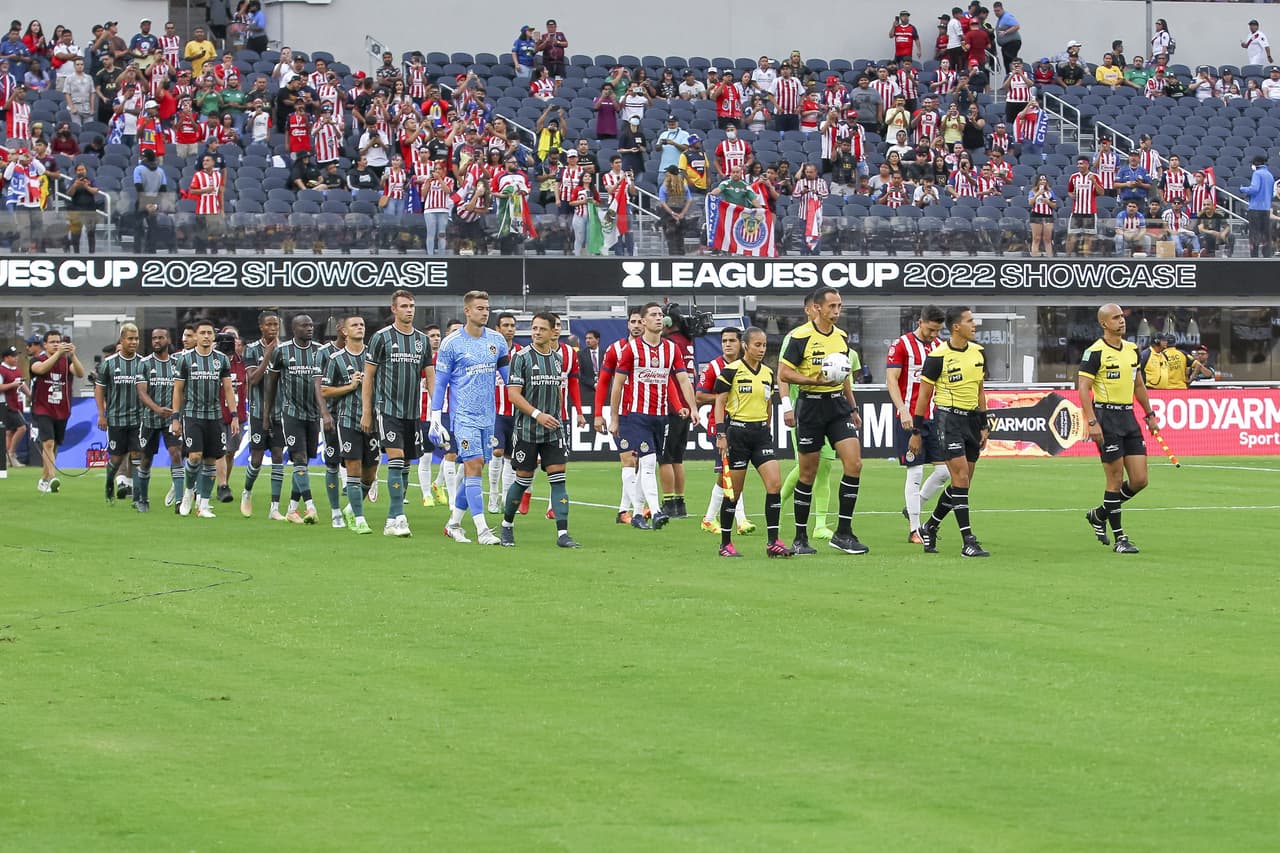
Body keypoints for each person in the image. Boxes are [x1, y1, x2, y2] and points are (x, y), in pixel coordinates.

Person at [777, 287, 868, 555]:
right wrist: (812, 380)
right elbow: (784, 373)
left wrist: (853, 408)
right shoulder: (799, 337)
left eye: (839, 306)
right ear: (817, 308)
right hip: (810, 406)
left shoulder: (841, 338)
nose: (837, 311)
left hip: (837, 404)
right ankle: (800, 537)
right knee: (808, 473)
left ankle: (844, 533)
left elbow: (846, 376)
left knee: (854, 463)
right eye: (832, 306)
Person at [608, 303, 700, 530]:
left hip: (661, 416)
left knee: (646, 465)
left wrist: (693, 407)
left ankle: (638, 514)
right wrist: (614, 417)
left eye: (661, 315)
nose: (659, 318)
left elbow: (682, 380)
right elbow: (617, 384)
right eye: (653, 315)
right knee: (648, 462)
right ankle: (657, 511)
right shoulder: (632, 349)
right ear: (644, 321)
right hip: (637, 415)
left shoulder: (671, 349)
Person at [1078, 304, 1158, 555]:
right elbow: (1083, 389)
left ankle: (1099, 514)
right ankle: (1120, 538)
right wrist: (1092, 422)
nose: (1121, 321)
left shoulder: (1133, 350)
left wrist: (1149, 414)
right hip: (1106, 417)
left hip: (1128, 417)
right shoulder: (1095, 352)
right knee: (1113, 480)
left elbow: (1139, 385)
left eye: (1122, 317)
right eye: (1115, 318)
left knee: (1140, 480)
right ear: (1104, 324)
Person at [429, 291, 508, 544]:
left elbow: (510, 380)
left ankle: (453, 524)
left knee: (476, 468)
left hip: (488, 416)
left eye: (487, 308)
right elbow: (440, 383)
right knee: (473, 466)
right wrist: (435, 416)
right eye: (480, 308)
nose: (485, 312)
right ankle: (482, 530)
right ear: (467, 311)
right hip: (462, 416)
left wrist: (526, 405)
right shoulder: (451, 343)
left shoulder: (497, 341)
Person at [910, 307, 989, 558]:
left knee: (961, 484)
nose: (974, 325)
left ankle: (930, 526)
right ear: (956, 327)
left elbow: (980, 389)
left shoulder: (978, 352)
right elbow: (924, 396)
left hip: (972, 422)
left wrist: (984, 424)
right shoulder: (938, 356)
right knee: (961, 478)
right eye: (969, 321)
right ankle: (968, 540)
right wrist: (916, 430)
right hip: (948, 420)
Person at [499, 312, 579, 549]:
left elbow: (557, 392)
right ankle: (507, 525)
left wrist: (556, 418)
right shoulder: (521, 358)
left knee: (558, 479)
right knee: (523, 480)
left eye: (541, 329)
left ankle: (563, 533)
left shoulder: (556, 359)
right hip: (527, 430)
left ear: (553, 331)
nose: (536, 332)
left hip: (553, 430)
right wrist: (537, 415)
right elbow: (513, 394)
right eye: (534, 328)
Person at [710, 327, 792, 558]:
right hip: (737, 433)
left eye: (764, 345)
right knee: (733, 492)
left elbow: (768, 404)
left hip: (760, 435)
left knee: (774, 484)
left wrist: (767, 427)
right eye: (757, 345)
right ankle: (725, 543)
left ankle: (773, 542)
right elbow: (720, 402)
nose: (762, 349)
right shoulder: (731, 371)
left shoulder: (767, 372)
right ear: (745, 345)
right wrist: (720, 434)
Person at [362, 290, 434, 537]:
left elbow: (430, 375)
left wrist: (436, 410)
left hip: (412, 412)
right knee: (395, 457)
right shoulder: (381, 338)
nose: (409, 310)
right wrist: (366, 412)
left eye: (412, 305)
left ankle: (392, 520)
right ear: (394, 309)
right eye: (404, 306)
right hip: (387, 409)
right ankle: (399, 516)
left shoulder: (422, 340)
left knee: (405, 464)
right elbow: (368, 376)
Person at [886, 306, 951, 543]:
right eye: (931, 329)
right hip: (908, 419)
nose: (934, 334)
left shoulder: (939, 347)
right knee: (915, 471)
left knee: (944, 471)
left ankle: (913, 506)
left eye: (938, 330)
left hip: (934, 418)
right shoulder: (901, 345)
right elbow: (891, 380)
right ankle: (915, 529)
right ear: (920, 322)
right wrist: (902, 410)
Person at [262, 314, 328, 525]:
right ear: (294, 329)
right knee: (299, 459)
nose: (309, 328)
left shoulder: (320, 351)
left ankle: (291, 509)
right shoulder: (282, 352)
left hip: (313, 414)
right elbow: (271, 385)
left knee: (305, 462)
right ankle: (310, 506)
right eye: (304, 325)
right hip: (290, 414)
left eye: (311, 324)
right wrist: (267, 414)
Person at [172, 319, 236, 518]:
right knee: (194, 456)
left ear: (213, 336)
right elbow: (178, 390)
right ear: (197, 336)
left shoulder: (222, 360)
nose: (207, 336)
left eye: (209, 333)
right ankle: (189, 491)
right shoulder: (185, 359)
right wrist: (176, 417)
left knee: (211, 460)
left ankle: (204, 505)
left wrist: (233, 415)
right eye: (203, 333)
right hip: (192, 415)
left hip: (215, 416)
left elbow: (228, 389)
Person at [321, 315, 377, 535]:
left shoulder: (373, 356)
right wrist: (350, 386)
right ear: (344, 331)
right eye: (354, 325)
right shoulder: (336, 359)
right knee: (352, 468)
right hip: (347, 420)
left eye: (362, 324)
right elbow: (325, 391)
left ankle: (350, 508)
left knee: (370, 474)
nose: (360, 327)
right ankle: (359, 517)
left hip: (372, 420)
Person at [697, 327, 753, 536]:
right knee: (730, 470)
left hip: (742, 423)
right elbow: (699, 397)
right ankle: (741, 520)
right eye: (724, 341)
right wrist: (724, 397)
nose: (727, 344)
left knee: (729, 472)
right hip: (719, 425)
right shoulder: (713, 366)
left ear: (741, 344)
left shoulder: (748, 367)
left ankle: (709, 519)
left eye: (732, 340)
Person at [594, 307, 645, 524]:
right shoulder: (616, 349)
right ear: (627, 324)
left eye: (639, 322)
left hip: (646, 413)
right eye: (632, 321)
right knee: (628, 459)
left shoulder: (655, 350)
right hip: (622, 413)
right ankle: (639, 509)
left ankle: (624, 510)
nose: (636, 326)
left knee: (642, 463)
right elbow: (604, 381)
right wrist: (598, 413)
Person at [94, 324, 146, 508]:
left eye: (136, 338)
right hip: (116, 419)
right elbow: (99, 390)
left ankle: (138, 497)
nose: (134, 342)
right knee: (116, 459)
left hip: (138, 419)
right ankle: (110, 483)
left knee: (137, 456)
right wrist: (102, 414)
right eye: (130, 339)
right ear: (122, 340)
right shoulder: (109, 363)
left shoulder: (143, 363)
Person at [135, 327, 184, 514]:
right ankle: (143, 498)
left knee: (175, 454)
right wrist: (156, 409)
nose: (156, 341)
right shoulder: (145, 363)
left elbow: (181, 389)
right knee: (146, 459)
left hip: (171, 419)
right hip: (149, 420)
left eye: (160, 338)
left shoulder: (177, 363)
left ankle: (180, 502)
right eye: (154, 338)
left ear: (168, 339)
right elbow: (141, 391)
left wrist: (177, 414)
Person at [30, 329, 85, 493]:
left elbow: (80, 373)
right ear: (45, 345)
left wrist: (72, 355)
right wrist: (58, 354)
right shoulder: (36, 359)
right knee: (48, 442)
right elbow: (40, 369)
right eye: (52, 342)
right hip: (42, 408)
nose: (56, 344)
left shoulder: (66, 361)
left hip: (62, 409)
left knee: (54, 446)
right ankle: (53, 477)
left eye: (58, 341)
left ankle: (44, 479)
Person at [488, 312, 521, 514]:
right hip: (495, 412)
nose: (510, 329)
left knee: (510, 456)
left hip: (516, 413)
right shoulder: (489, 351)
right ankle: (493, 496)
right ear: (497, 329)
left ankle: (508, 498)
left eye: (512, 325)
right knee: (497, 452)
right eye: (506, 325)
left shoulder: (521, 353)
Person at [0, 345, 29, 475]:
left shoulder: (16, 370)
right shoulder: (2, 370)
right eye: (13, 356)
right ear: (6, 358)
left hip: (16, 403)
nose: (16, 358)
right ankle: (11, 454)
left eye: (16, 355)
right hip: (6, 404)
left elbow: (22, 384)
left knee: (10, 432)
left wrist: (31, 396)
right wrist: (12, 384)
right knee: (22, 427)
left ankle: (5, 458)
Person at [1239, 156, 1274, 257]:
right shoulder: (1270, 175)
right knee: (1265, 235)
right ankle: (1267, 257)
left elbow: (1254, 189)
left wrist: (1243, 189)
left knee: (1254, 234)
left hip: (1255, 209)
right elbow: (1271, 193)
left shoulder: (1257, 173)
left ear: (1257, 163)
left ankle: (1254, 258)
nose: (1252, 165)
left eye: (1253, 163)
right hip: (1266, 208)